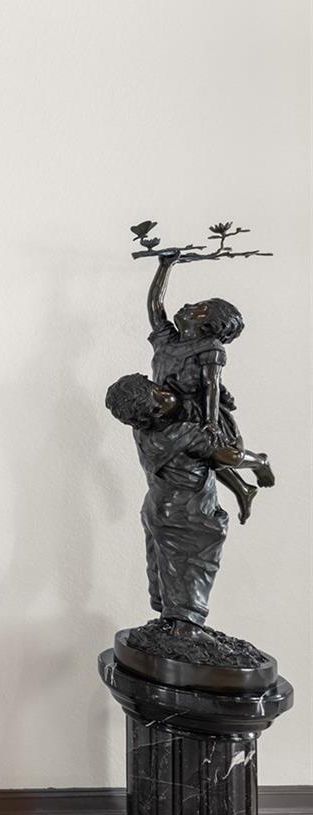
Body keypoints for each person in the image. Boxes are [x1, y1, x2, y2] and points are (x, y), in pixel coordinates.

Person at [105, 373, 274, 637]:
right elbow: (229, 456)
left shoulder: (143, 431)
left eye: (157, 387)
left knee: (168, 581)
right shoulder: (183, 433)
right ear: (155, 412)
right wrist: (260, 463)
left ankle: (171, 626)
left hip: (157, 510)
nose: (167, 393)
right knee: (191, 582)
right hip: (188, 517)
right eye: (160, 398)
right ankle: (186, 634)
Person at [145, 252, 257, 521]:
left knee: (224, 456)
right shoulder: (166, 338)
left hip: (197, 410)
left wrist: (211, 423)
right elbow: (155, 306)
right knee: (196, 457)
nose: (188, 305)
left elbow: (211, 385)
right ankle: (242, 489)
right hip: (167, 408)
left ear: (210, 325)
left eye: (200, 308)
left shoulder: (210, 347)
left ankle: (259, 462)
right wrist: (165, 266)